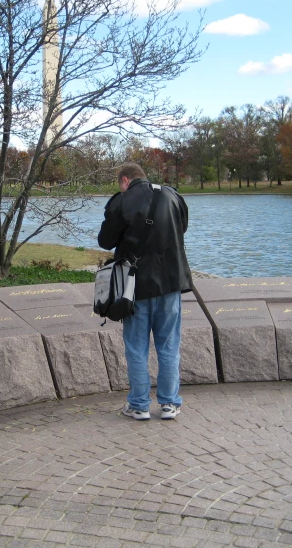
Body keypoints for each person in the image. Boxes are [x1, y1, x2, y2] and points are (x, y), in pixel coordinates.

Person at [98, 163, 192, 420]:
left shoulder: (121, 201)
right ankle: (170, 404)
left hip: (134, 286)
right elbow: (181, 230)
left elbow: (105, 241)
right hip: (171, 283)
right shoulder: (173, 195)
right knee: (169, 344)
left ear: (125, 180)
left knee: (136, 347)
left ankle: (139, 405)